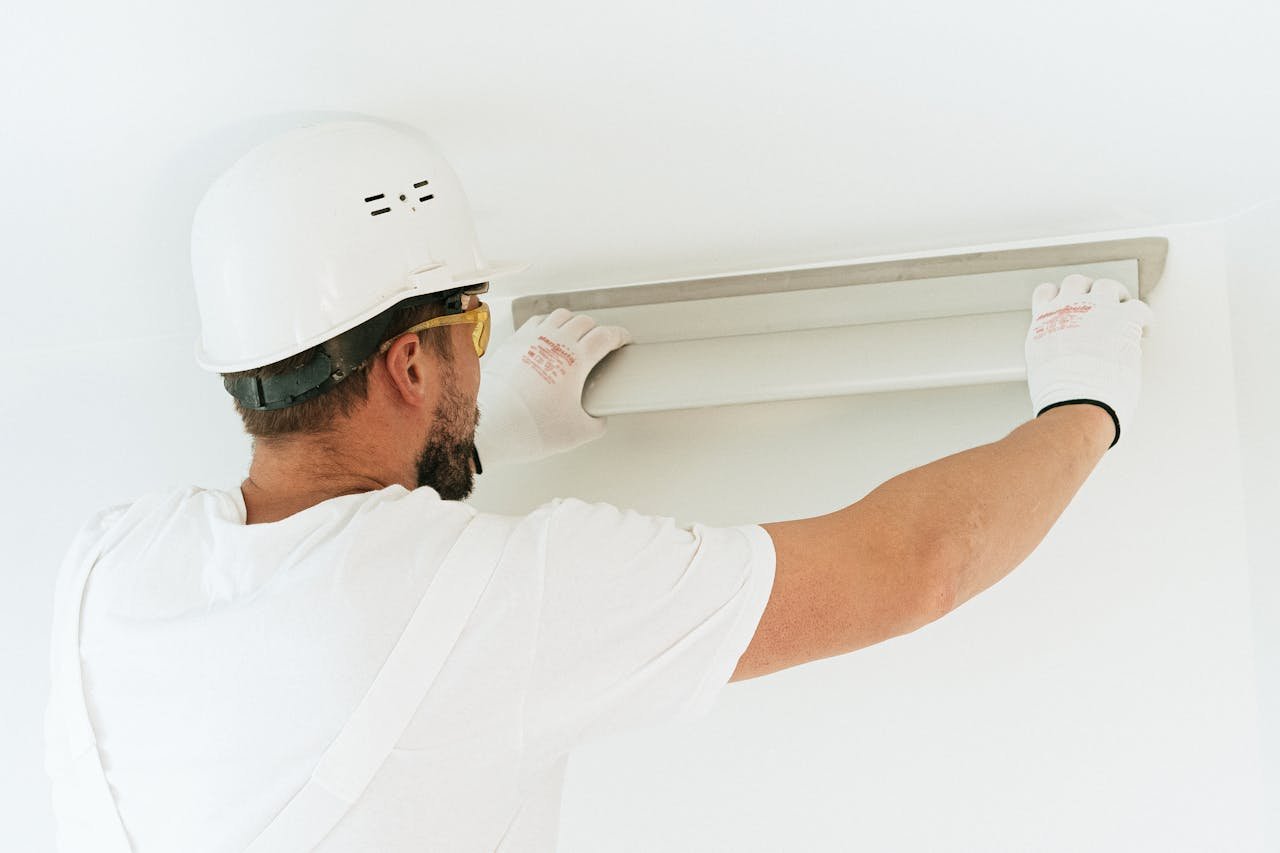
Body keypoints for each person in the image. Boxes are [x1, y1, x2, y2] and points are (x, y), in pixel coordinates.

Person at [44, 120, 1154, 852]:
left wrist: (491, 439)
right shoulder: (521, 595)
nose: (482, 353)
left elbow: (343, 621)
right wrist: (1081, 408)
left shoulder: (106, 571)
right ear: (410, 363)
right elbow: (913, 566)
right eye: (469, 325)